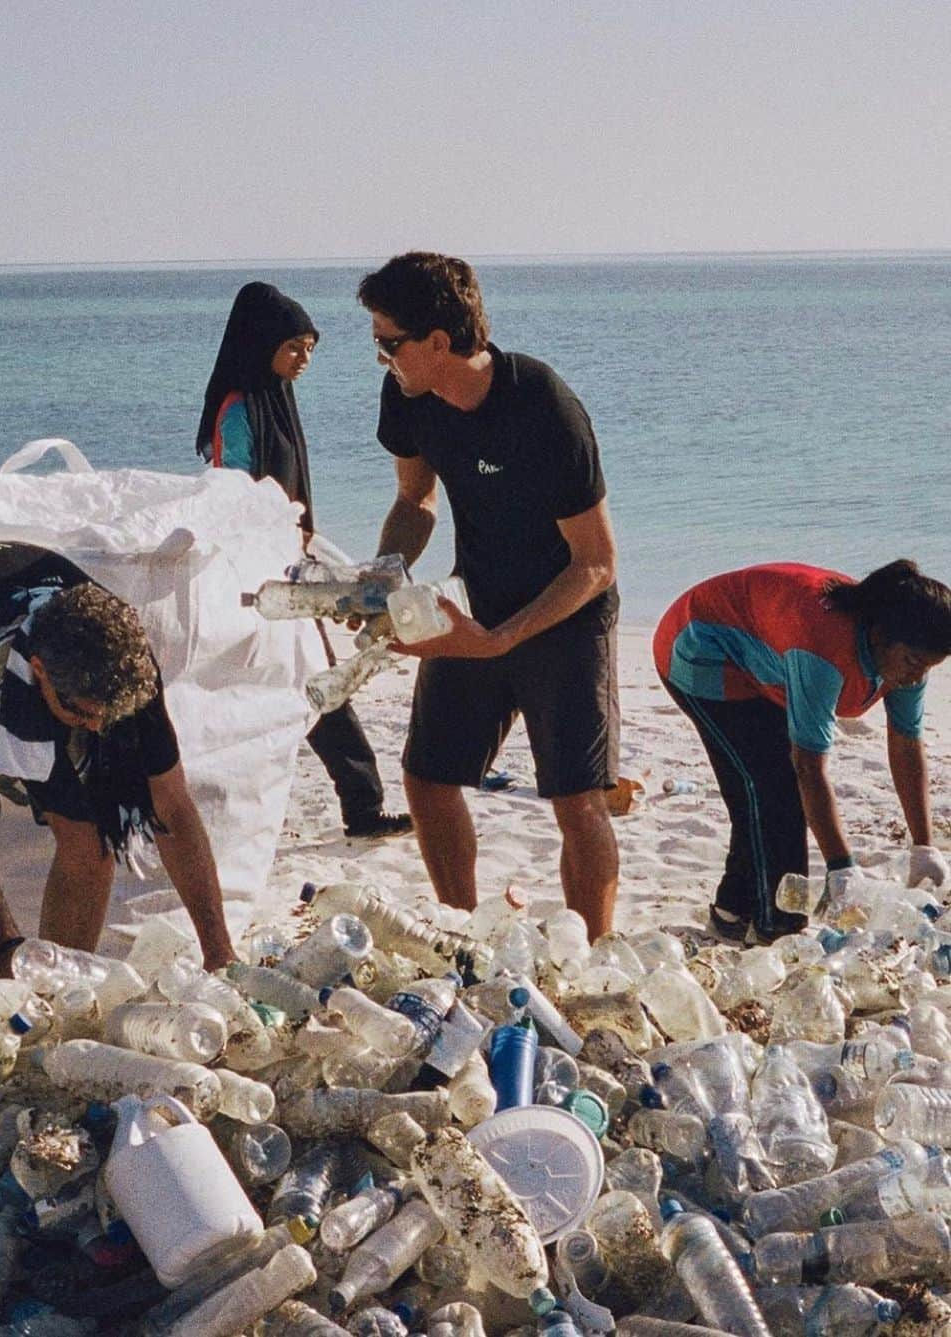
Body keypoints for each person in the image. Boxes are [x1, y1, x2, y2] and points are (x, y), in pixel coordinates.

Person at [356, 251, 620, 941]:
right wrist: (383, 570)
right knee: (427, 779)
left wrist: (501, 640)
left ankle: (589, 957)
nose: (380, 357)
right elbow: (416, 499)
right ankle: (464, 932)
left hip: (566, 615)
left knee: (577, 803)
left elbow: (597, 563)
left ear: (438, 343)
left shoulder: (542, 405)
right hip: (479, 604)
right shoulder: (407, 398)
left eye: (389, 343)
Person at [0, 538, 236, 974]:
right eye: (83, 714)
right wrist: (7, 950)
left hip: (41, 651)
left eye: (108, 716)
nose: (97, 728)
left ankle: (62, 985)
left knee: (90, 832)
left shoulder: (127, 665)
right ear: (38, 671)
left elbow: (173, 808)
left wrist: (219, 954)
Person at [196, 281, 411, 840]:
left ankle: (362, 805)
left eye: (310, 349)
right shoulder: (239, 409)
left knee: (315, 683)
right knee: (302, 684)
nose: (304, 359)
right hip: (252, 577)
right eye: (295, 348)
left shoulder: (277, 401)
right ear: (262, 342)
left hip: (286, 564)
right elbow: (233, 494)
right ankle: (357, 806)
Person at [653, 559, 951, 943]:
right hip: (700, 645)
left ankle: (732, 909)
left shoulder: (909, 658)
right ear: (879, 636)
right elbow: (808, 767)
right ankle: (778, 928)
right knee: (771, 788)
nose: (915, 676)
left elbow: (907, 744)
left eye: (929, 667)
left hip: (764, 658)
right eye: (912, 662)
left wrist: (923, 845)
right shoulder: (824, 648)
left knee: (765, 788)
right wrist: (841, 868)